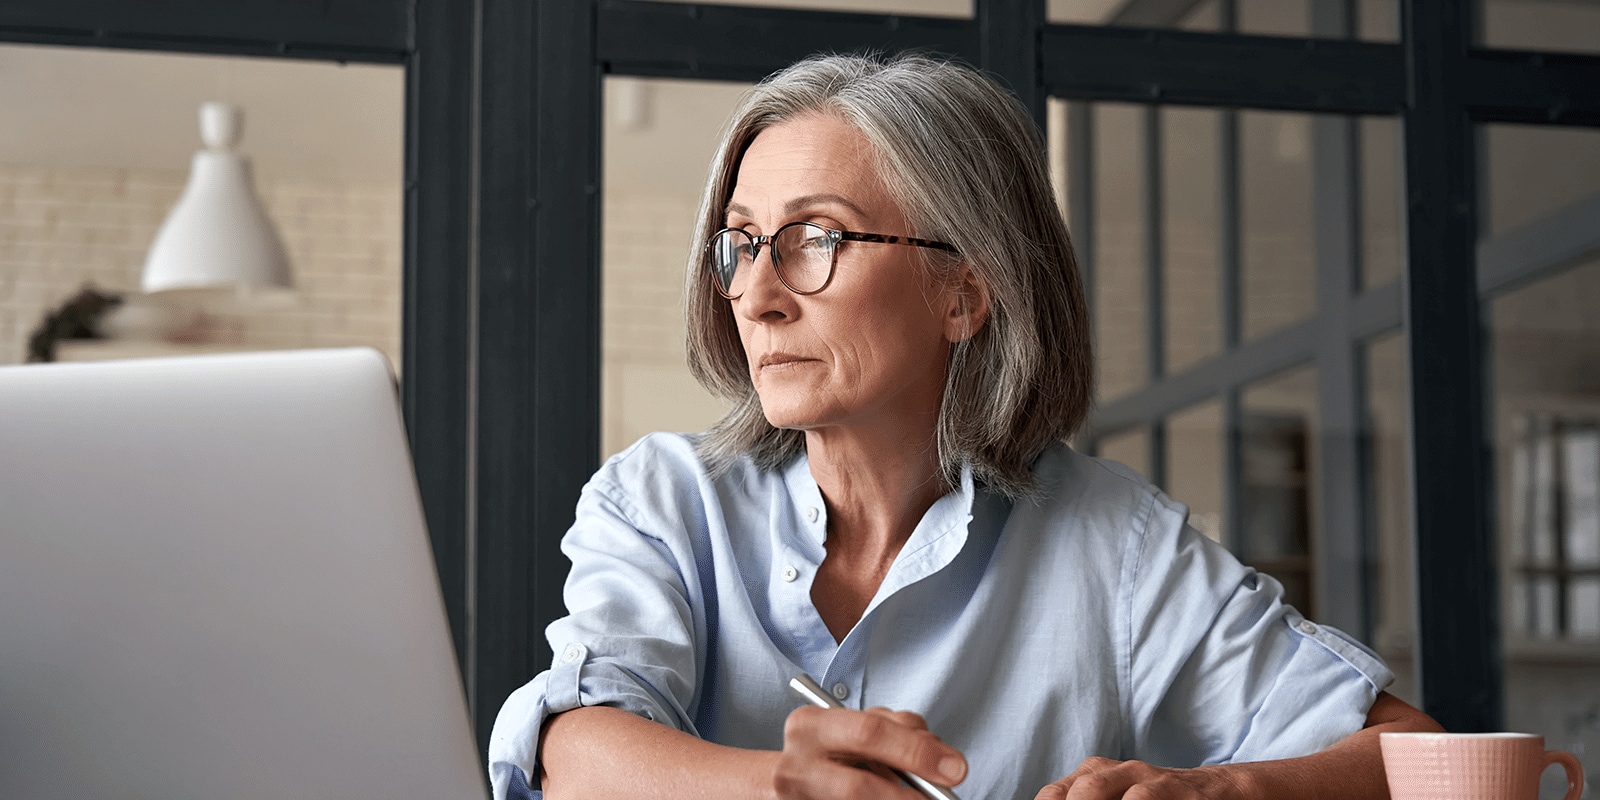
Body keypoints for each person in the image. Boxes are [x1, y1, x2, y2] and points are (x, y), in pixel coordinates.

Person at [488, 52, 1441, 800]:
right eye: (739, 245)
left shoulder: (1117, 546)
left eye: (814, 238)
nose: (758, 295)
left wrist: (1215, 788)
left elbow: (1417, 759)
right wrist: (781, 788)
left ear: (964, 291)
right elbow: (573, 755)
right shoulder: (662, 501)